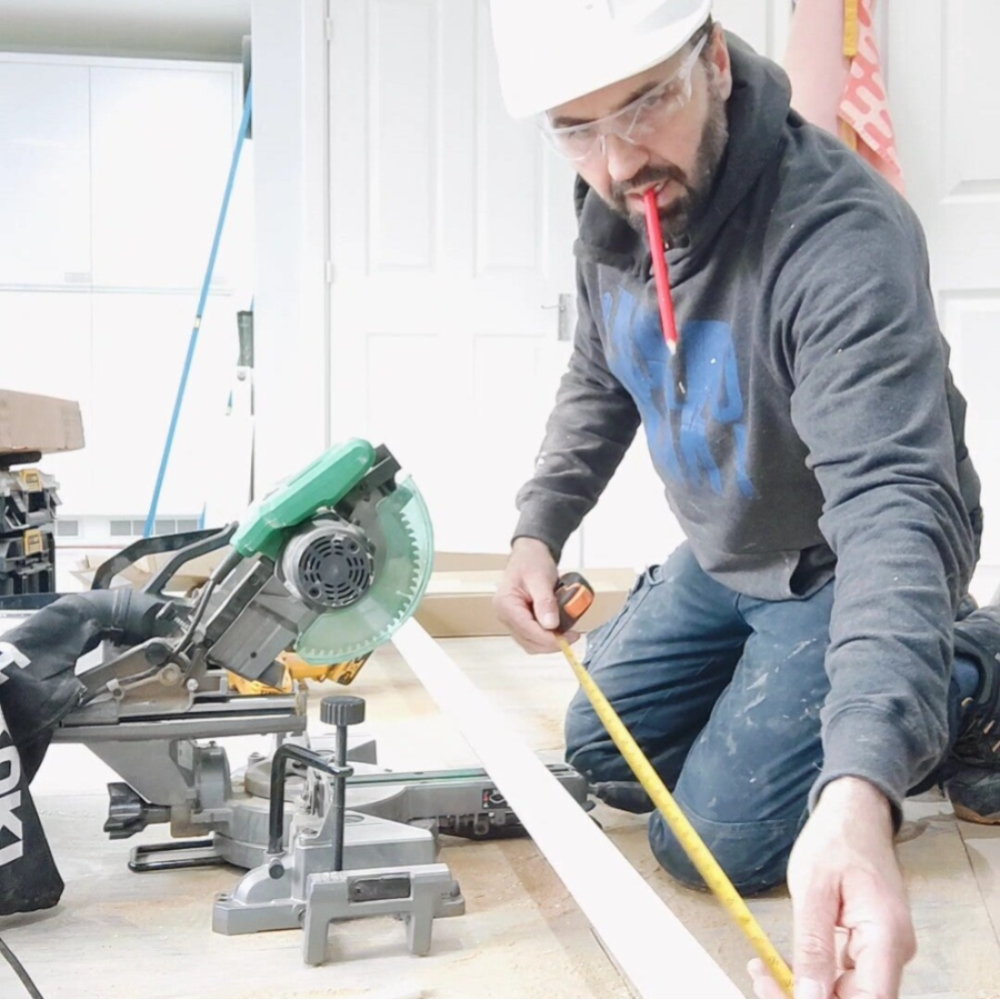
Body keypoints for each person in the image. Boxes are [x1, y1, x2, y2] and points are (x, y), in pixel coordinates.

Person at [488, 2, 1000, 998]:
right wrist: (536, 527)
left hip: (839, 559)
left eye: (644, 106)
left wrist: (860, 787)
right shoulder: (611, 202)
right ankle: (803, 688)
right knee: (604, 753)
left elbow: (892, 506)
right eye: (576, 129)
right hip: (728, 551)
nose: (617, 162)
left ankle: (971, 669)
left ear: (714, 63)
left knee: (709, 843)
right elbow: (600, 372)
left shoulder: (839, 235)